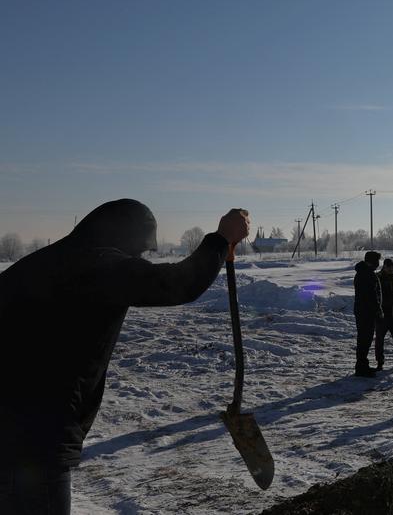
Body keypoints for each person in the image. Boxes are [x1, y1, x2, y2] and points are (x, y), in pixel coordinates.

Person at [0, 200, 250, 515]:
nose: (138, 259)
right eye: (140, 251)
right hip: (33, 439)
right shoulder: (98, 264)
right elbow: (176, 284)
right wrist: (220, 239)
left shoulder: (42, 263)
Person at [353, 251, 383, 377]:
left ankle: (362, 365)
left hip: (365, 311)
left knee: (365, 339)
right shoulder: (365, 274)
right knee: (364, 339)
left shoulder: (365, 273)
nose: (378, 264)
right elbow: (370, 295)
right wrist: (377, 309)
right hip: (365, 312)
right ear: (371, 261)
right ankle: (361, 367)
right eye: (377, 261)